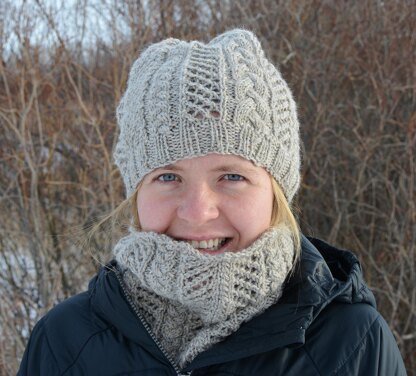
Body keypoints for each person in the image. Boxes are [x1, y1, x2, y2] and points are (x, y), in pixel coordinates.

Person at [18, 29, 406, 376]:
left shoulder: (353, 343)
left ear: (275, 192)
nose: (198, 211)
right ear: (136, 193)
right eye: (167, 177)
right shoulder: (64, 342)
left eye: (232, 177)